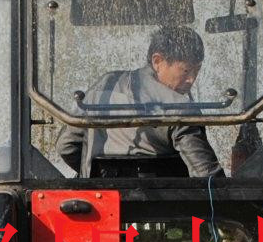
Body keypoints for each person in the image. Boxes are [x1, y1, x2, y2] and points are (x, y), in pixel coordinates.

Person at [53, 25, 221, 178]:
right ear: (158, 61)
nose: (192, 79)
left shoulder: (105, 86)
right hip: (164, 206)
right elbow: (206, 174)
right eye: (185, 70)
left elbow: (65, 145)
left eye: (196, 70)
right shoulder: (180, 108)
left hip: (98, 200)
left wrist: (91, 173)